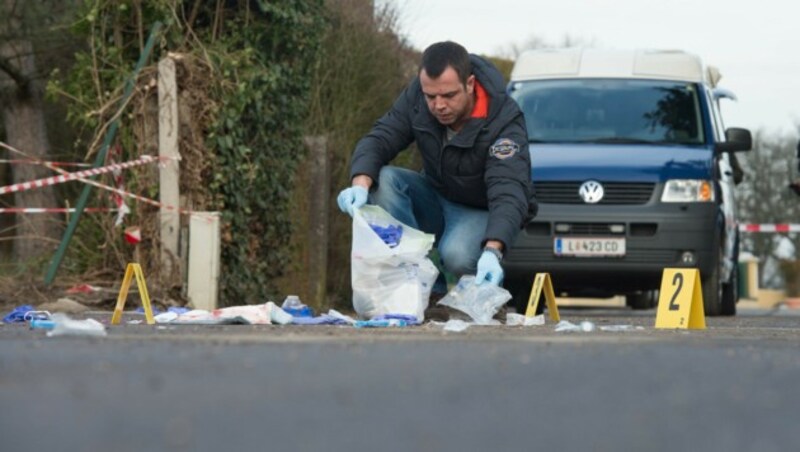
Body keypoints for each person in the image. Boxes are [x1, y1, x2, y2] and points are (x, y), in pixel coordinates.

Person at [336, 41, 537, 292]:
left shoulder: (503, 120)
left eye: (449, 95)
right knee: (385, 181)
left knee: (457, 254)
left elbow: (508, 189)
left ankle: (486, 297)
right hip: (435, 195)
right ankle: (425, 287)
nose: (439, 105)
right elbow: (382, 136)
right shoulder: (417, 98)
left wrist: (493, 251)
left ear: (470, 84)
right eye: (431, 96)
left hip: (479, 209)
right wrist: (360, 182)